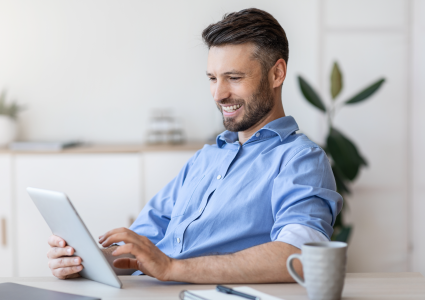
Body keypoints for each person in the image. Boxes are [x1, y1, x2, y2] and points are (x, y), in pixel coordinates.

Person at [46, 8, 342, 284]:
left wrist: (172, 268)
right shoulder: (207, 158)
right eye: (213, 78)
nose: (219, 94)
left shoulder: (300, 159)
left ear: (277, 73)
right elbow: (141, 249)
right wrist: (87, 261)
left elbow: (301, 256)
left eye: (234, 78)